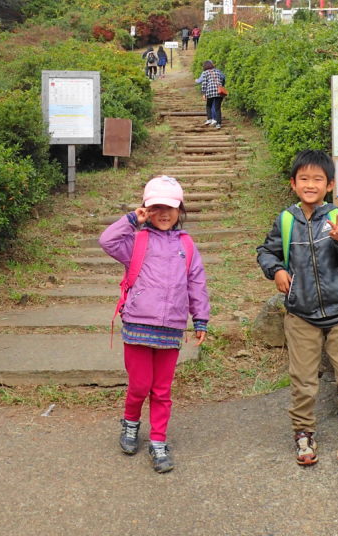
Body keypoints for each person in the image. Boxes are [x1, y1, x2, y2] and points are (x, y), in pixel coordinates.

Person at [256, 150, 338, 467]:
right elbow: (266, 253)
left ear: (330, 185)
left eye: (317, 179)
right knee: (303, 379)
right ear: (293, 184)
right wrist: (276, 270)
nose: (311, 184)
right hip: (301, 313)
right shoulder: (285, 220)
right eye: (304, 179)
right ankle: (303, 432)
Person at [99, 176, 210, 473]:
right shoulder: (136, 241)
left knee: (162, 390)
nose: (164, 213)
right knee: (139, 385)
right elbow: (106, 241)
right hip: (137, 324)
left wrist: (200, 318)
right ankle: (131, 423)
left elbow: (196, 282)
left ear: (180, 209)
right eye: (156, 207)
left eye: (170, 207)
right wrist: (131, 220)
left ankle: (158, 440)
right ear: (146, 208)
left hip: (171, 327)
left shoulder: (186, 245)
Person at [194, 59, 226, 129]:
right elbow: (223, 78)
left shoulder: (205, 73)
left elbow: (204, 84)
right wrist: (222, 86)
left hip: (210, 91)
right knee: (218, 108)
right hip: (219, 91)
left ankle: (209, 119)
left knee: (208, 105)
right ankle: (218, 124)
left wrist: (203, 93)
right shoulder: (217, 71)